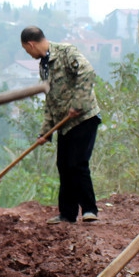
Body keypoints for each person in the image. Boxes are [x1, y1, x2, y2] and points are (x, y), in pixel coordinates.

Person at [19, 26, 101, 224]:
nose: (28, 54)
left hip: (84, 118)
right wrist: (45, 133)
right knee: (63, 166)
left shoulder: (66, 52)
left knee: (77, 164)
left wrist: (77, 105)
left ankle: (90, 210)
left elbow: (87, 72)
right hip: (64, 124)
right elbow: (50, 102)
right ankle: (67, 214)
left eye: (26, 50)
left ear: (31, 44)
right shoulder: (44, 66)